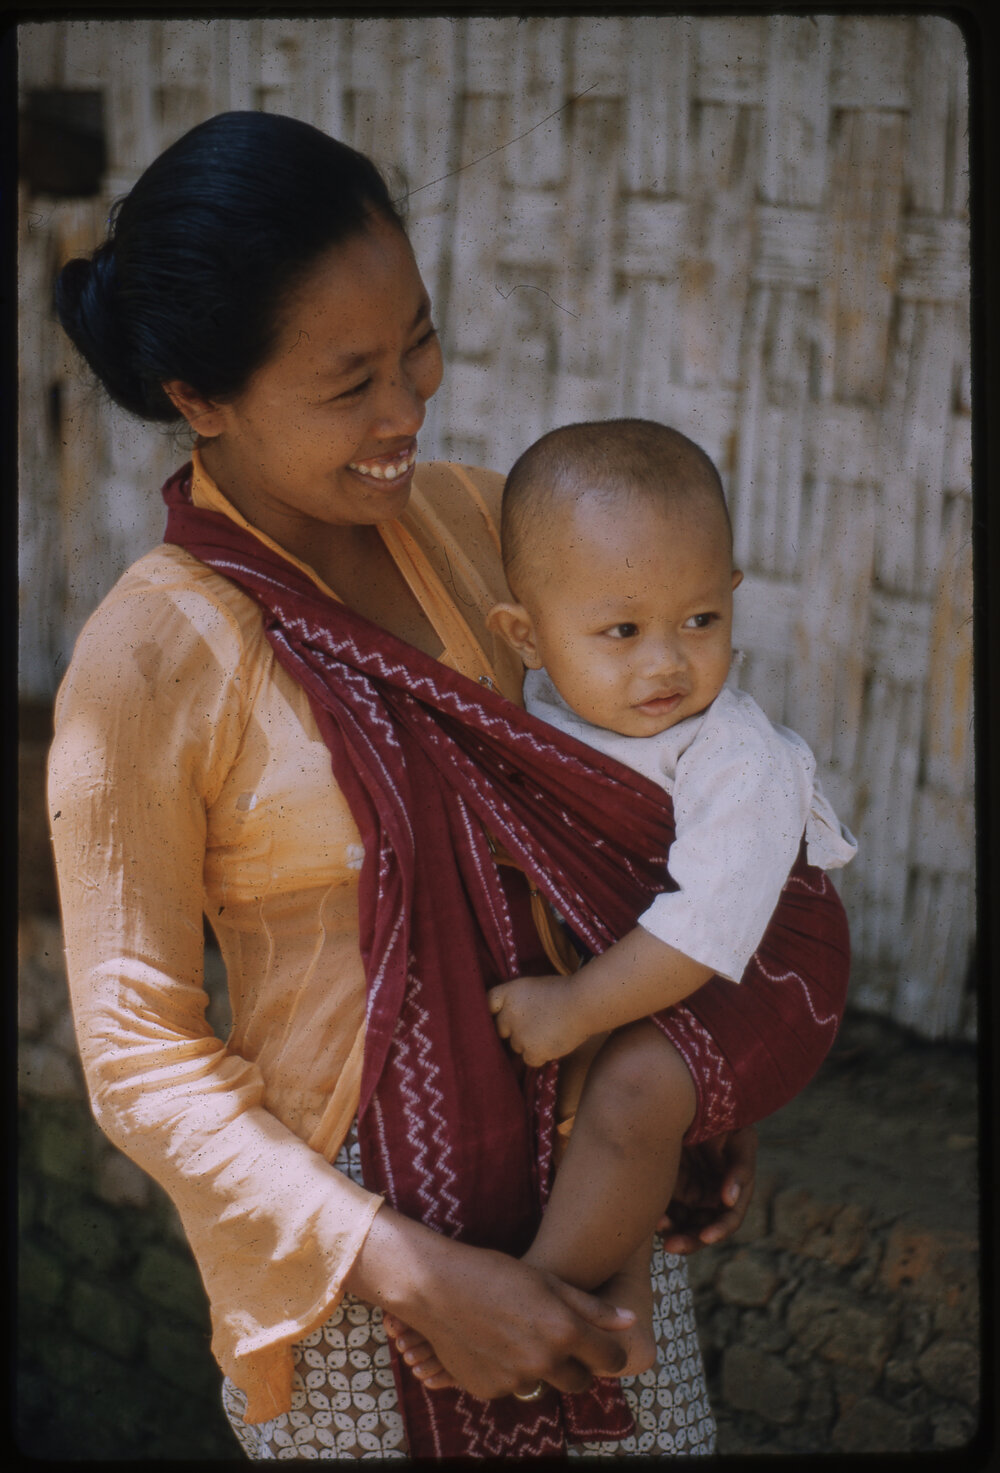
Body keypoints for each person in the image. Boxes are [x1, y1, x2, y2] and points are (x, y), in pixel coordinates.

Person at [48, 111, 757, 1461]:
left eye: (418, 339)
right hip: (349, 1264)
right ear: (203, 399)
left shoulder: (493, 529)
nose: (407, 409)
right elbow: (137, 1061)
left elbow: (630, 826)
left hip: (593, 1205)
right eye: (349, 382)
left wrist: (687, 1071)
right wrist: (413, 1271)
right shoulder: (146, 661)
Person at [390, 420, 856, 1386]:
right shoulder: (547, 724)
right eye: (622, 631)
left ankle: (525, 1308)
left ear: (733, 602)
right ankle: (620, 1314)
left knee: (631, 1086)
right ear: (526, 636)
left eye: (700, 622)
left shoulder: (737, 758)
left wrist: (573, 1008)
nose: (666, 665)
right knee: (588, 1107)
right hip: (659, 969)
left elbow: (706, 927)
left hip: (767, 974)